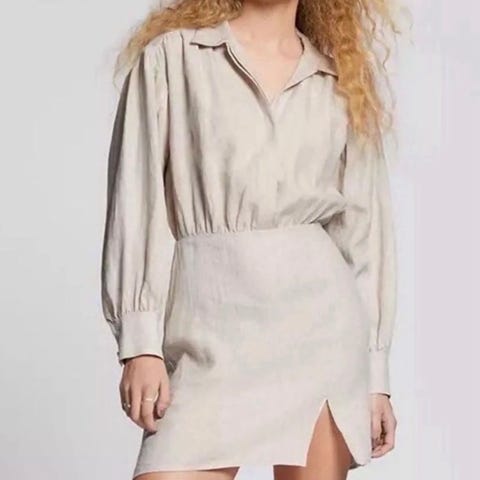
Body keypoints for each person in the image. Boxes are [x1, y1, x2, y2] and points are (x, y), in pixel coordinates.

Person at [100, 0, 401, 479]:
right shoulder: (173, 57)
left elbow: (365, 234)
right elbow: (136, 200)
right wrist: (140, 344)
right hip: (207, 338)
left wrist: (375, 374)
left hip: (321, 336)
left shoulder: (340, 80)